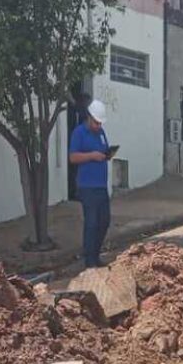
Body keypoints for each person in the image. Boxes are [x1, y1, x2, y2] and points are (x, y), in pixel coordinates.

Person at [69, 99, 112, 268]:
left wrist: (106, 155)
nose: (98, 125)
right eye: (96, 122)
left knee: (104, 220)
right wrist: (92, 156)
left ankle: (96, 254)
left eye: (100, 123)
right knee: (92, 222)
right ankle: (90, 260)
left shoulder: (101, 133)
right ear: (89, 118)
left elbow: (104, 149)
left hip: (101, 185)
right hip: (87, 186)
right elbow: (73, 157)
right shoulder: (79, 133)